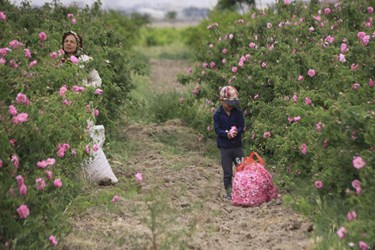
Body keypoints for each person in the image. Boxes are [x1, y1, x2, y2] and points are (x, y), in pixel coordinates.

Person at [61, 31, 118, 185]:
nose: (69, 44)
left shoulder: (86, 61)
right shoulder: (57, 61)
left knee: (86, 137)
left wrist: (83, 90)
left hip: (82, 105)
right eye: (66, 41)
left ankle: (99, 175)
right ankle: (73, 178)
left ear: (78, 44)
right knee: (66, 138)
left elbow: (97, 81)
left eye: (72, 41)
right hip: (63, 106)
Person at [213, 86, 245, 199]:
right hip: (225, 147)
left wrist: (237, 131)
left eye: (232, 104)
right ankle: (229, 192)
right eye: (228, 103)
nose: (231, 106)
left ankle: (243, 190)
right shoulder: (217, 115)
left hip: (237, 146)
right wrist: (227, 134)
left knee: (241, 168)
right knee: (227, 171)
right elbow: (217, 130)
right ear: (221, 100)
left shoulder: (238, 113)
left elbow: (242, 126)